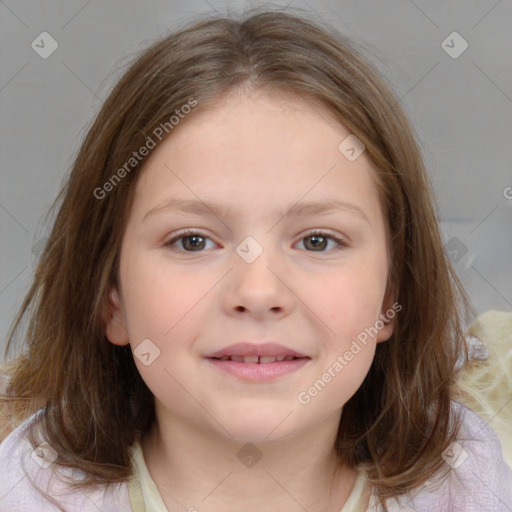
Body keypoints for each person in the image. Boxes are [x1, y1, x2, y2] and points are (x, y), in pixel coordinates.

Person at [0, 8, 510, 512]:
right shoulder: (27, 490)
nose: (258, 293)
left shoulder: (465, 481)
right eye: (193, 241)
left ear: (393, 291)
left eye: (317, 241)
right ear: (112, 298)